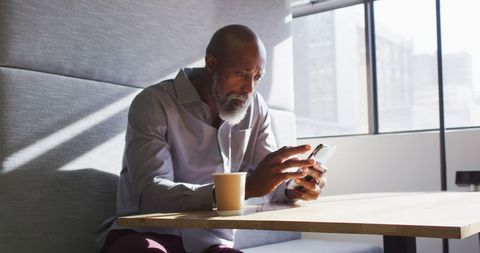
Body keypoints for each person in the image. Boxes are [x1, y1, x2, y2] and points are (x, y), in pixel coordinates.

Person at [97, 24, 327, 253]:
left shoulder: (255, 108)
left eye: (257, 77)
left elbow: (269, 185)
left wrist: (295, 186)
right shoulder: (153, 103)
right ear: (211, 63)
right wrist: (242, 189)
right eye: (241, 74)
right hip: (145, 234)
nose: (249, 88)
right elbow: (151, 194)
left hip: (210, 242)